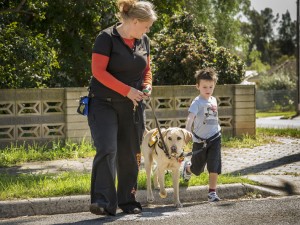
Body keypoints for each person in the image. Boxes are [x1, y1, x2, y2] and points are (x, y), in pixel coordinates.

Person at [87, 0, 157, 216]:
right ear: (135, 21)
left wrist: (147, 85)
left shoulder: (142, 40)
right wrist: (126, 90)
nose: (147, 30)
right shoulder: (106, 38)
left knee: (130, 153)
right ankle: (102, 201)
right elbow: (98, 72)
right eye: (146, 26)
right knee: (107, 149)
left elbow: (146, 69)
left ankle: (128, 200)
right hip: (103, 103)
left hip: (133, 106)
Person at [182, 67, 222, 202]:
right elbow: (190, 117)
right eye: (204, 87)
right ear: (197, 86)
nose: (208, 90)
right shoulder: (197, 102)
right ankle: (188, 169)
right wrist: (187, 130)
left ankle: (212, 193)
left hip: (215, 138)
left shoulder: (214, 100)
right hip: (199, 141)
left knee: (214, 165)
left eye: (211, 87)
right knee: (197, 170)